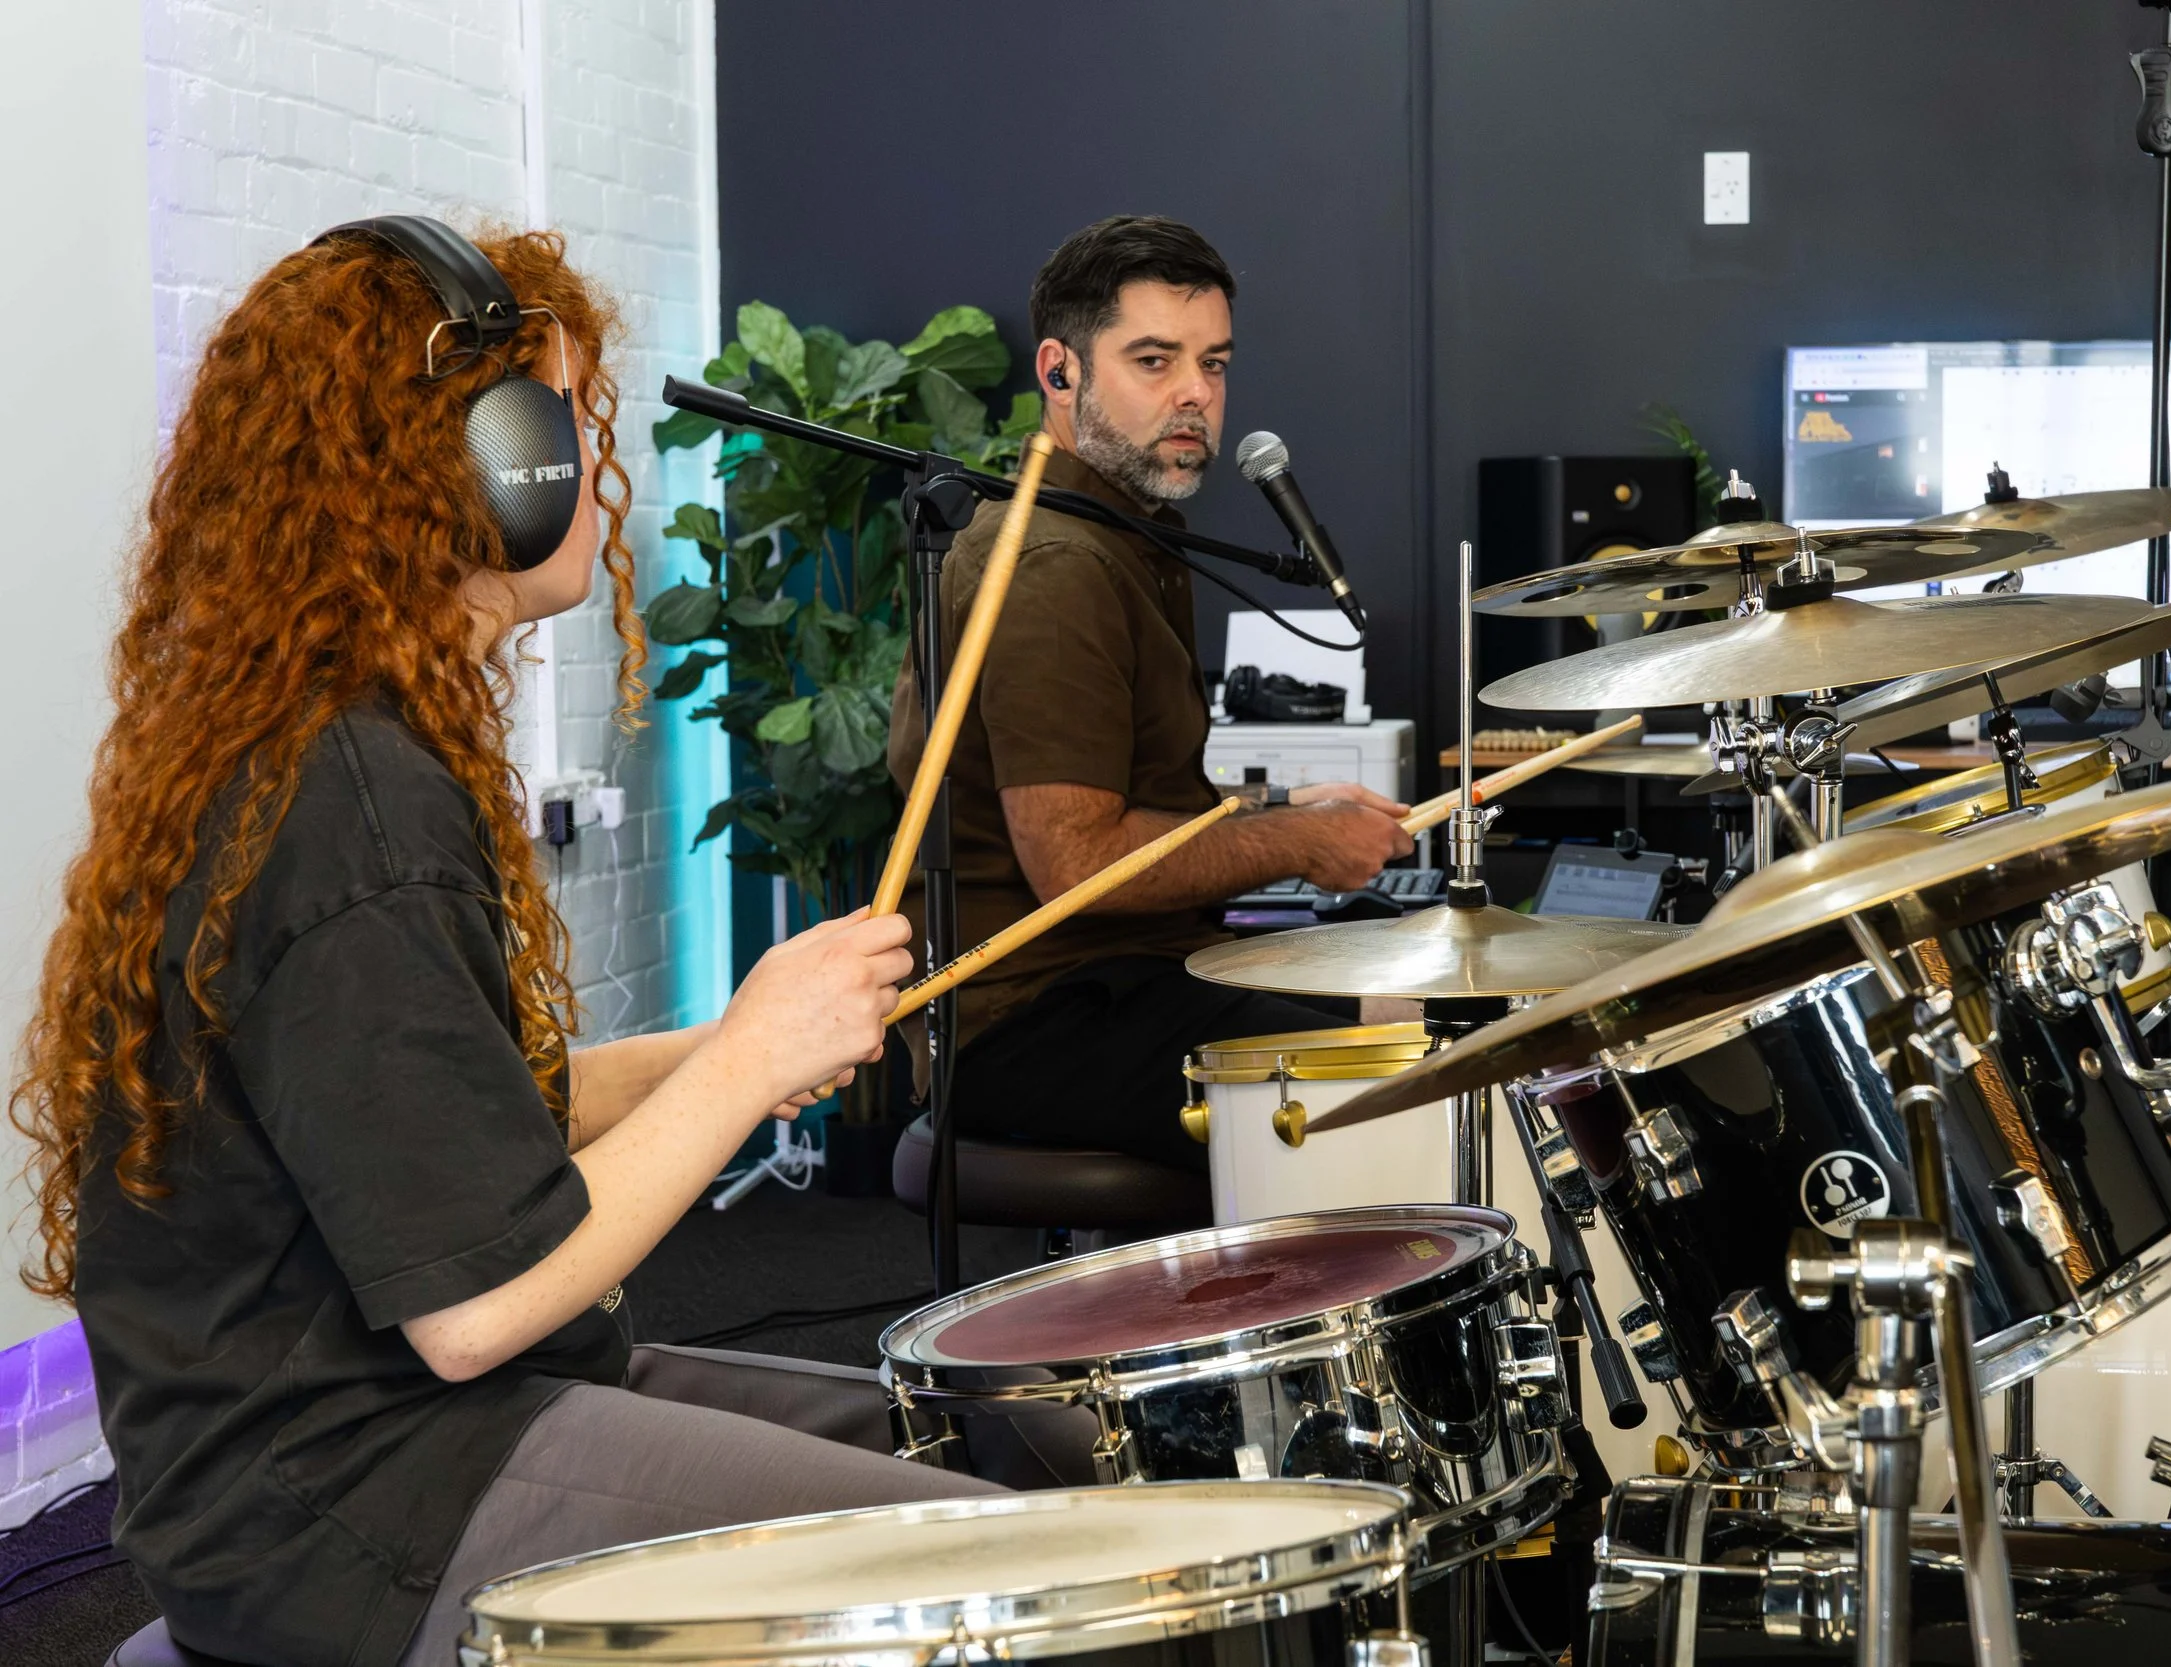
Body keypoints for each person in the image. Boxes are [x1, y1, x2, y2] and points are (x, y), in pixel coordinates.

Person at [10, 222, 1003, 1667]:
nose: (601, 478)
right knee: (977, 1568)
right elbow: (474, 1304)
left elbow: (445, 1130)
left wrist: (726, 1047)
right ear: (488, 461)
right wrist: (749, 1067)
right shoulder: (352, 797)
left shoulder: (338, 746)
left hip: (378, 1436)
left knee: (952, 1438)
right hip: (353, 1499)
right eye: (575, 425)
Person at [886, 216, 1415, 1177]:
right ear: (1061, 371)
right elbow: (1075, 860)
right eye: (1153, 360)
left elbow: (1138, 809)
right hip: (1038, 1020)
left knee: (1417, 974)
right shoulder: (1053, 562)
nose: (1194, 397)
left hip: (1129, 974)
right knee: (1410, 1057)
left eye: (1212, 365)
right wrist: (1298, 842)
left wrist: (1286, 809)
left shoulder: (1116, 531)